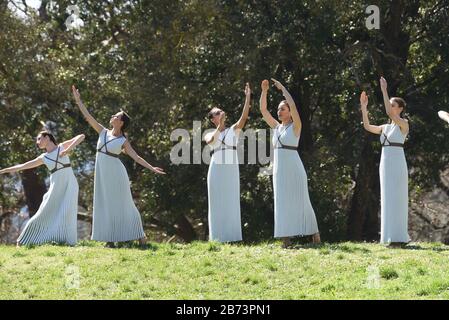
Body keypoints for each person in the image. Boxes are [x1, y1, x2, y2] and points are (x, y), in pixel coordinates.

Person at [72, 85, 165, 248]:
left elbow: (136, 157)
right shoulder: (102, 131)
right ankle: (110, 239)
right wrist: (78, 101)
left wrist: (152, 168)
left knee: (125, 203)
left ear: (121, 122)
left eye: (116, 116)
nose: (112, 116)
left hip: (117, 174)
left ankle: (140, 235)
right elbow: (88, 117)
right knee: (104, 203)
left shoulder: (123, 141)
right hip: (102, 173)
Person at [260, 79, 320, 247]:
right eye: (278, 109)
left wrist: (283, 89)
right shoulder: (276, 127)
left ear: (289, 112)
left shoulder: (296, 126)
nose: (279, 111)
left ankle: (315, 235)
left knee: (302, 200)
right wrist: (264, 91)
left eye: (282, 109)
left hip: (294, 167)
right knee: (281, 201)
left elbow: (293, 106)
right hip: (279, 169)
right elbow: (263, 110)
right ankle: (286, 239)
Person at [0, 131, 84, 246]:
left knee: (68, 212)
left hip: (70, 184)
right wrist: (5, 170)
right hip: (56, 186)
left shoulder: (61, 147)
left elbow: (81, 136)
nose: (37, 142)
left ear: (47, 137)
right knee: (44, 212)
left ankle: (67, 241)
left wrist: (68, 149)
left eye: (39, 139)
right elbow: (23, 166)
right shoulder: (43, 157)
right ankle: (24, 240)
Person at [360, 77, 410, 245]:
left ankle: (400, 237)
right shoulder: (384, 127)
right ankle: (388, 237)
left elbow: (389, 113)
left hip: (398, 162)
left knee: (399, 197)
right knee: (387, 197)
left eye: (393, 105)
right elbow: (367, 126)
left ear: (400, 109)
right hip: (385, 163)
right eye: (390, 104)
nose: (390, 107)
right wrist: (364, 107)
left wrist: (384, 90)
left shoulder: (404, 124)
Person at [204, 83, 251, 242]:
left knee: (231, 201)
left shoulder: (233, 130)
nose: (221, 113)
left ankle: (232, 237)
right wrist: (220, 126)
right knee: (217, 202)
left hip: (231, 169)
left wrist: (248, 97)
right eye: (217, 113)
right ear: (212, 119)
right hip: (216, 169)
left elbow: (244, 118)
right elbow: (211, 141)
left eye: (221, 111)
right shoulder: (210, 132)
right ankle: (217, 238)